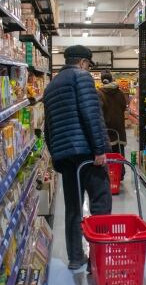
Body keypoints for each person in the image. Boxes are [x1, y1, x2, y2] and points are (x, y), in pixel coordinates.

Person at [43, 45, 112, 270]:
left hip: (65, 156)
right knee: (100, 202)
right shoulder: (82, 77)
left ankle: (75, 257)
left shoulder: (51, 85)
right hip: (86, 153)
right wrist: (100, 149)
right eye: (89, 65)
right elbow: (91, 114)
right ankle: (98, 257)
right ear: (83, 62)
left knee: (73, 207)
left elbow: (48, 127)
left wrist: (56, 155)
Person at [96, 70, 128, 163]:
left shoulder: (99, 93)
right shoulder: (120, 93)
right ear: (111, 79)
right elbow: (123, 107)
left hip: (107, 131)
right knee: (119, 158)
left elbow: (99, 113)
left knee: (108, 160)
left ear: (102, 81)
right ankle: (120, 174)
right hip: (119, 129)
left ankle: (110, 175)